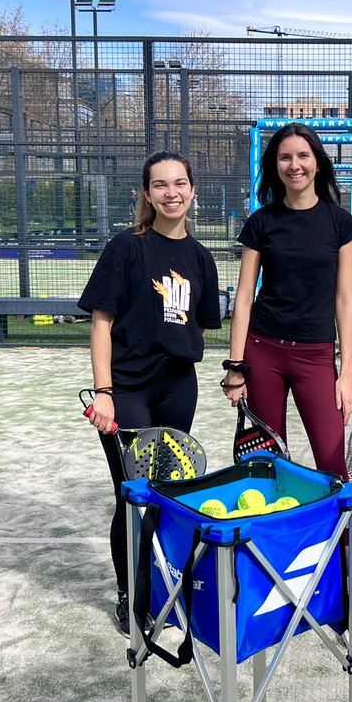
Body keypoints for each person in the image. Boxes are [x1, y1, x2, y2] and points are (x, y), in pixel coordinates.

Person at [78, 151, 222, 633]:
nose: (171, 192)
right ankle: (131, 595)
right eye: (160, 185)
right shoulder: (126, 248)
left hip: (179, 387)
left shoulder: (202, 258)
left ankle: (164, 586)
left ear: (193, 190)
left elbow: (202, 322)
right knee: (134, 495)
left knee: (169, 493)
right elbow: (102, 322)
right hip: (128, 391)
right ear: (146, 194)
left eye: (180, 183)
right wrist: (103, 391)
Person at [222, 122, 352, 480]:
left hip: (317, 356)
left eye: (302, 155)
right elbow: (245, 299)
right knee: (267, 466)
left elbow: (345, 300)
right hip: (263, 352)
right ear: (275, 166)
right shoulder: (261, 222)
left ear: (317, 162)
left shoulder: (341, 223)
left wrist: (345, 374)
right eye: (285, 157)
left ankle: (339, 539)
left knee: (332, 464)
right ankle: (270, 537)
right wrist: (236, 367)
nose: (294, 165)